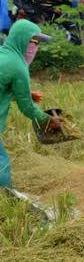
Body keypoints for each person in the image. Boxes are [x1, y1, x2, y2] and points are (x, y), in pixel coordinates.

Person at [0, 20, 62, 189]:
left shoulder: (3, 55)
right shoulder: (18, 66)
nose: (35, 47)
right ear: (21, 39)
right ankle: (6, 197)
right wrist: (47, 119)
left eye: (38, 43)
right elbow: (26, 106)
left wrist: (21, 93)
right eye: (33, 41)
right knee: (1, 163)